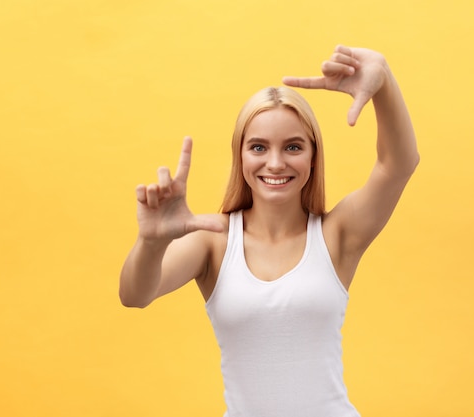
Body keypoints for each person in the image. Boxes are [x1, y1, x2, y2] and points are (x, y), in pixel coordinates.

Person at [119, 45, 419, 417]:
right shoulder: (213, 241)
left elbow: (399, 165)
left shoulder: (335, 235)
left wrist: (384, 80)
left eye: (293, 147)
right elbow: (134, 295)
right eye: (258, 147)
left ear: (313, 155)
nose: (275, 163)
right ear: (240, 155)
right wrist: (150, 243)